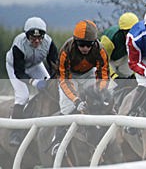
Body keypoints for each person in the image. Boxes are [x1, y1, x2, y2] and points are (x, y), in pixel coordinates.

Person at [50, 20, 111, 154]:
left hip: (89, 73)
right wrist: (76, 100)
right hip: (69, 76)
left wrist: (99, 93)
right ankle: (58, 141)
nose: (85, 48)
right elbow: (64, 79)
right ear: (75, 42)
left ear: (94, 42)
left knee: (100, 103)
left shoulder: (100, 50)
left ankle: (105, 137)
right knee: (67, 107)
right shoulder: (66, 50)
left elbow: (104, 74)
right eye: (81, 45)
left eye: (89, 45)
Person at [5, 16, 58, 146]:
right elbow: (20, 72)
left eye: (40, 37)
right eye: (33, 38)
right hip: (15, 68)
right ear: (26, 35)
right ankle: (15, 132)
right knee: (23, 96)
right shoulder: (19, 44)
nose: (37, 41)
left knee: (50, 89)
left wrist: (51, 80)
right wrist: (34, 82)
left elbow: (55, 66)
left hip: (35, 65)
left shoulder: (49, 43)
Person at [100, 12, 138, 79]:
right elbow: (103, 60)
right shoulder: (109, 40)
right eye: (127, 32)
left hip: (124, 59)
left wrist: (134, 74)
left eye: (133, 30)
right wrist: (114, 76)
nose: (130, 34)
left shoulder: (138, 37)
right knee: (109, 84)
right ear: (122, 31)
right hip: (109, 60)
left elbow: (136, 57)